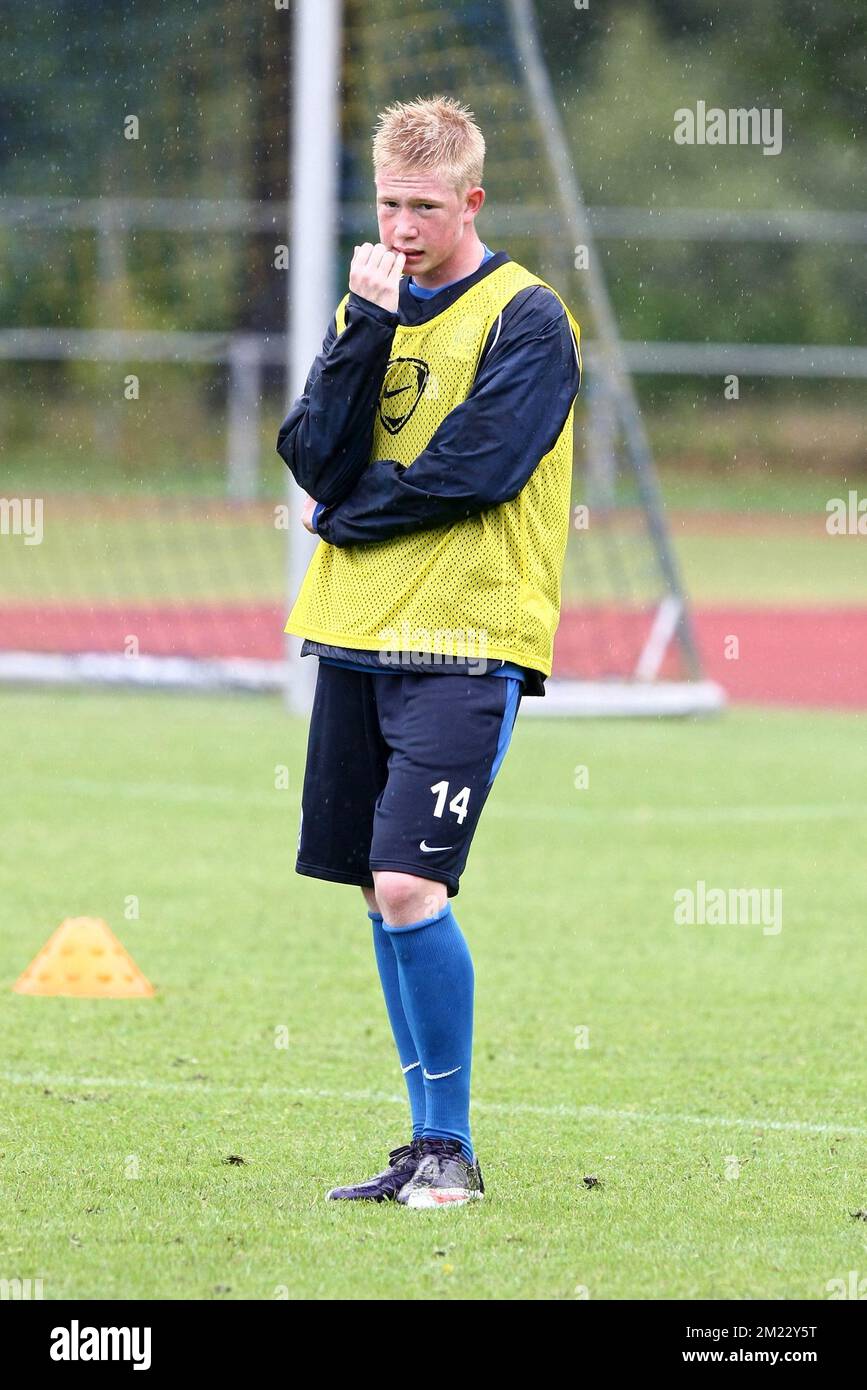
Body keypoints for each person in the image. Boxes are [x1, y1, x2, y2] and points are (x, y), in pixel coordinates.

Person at [277, 95, 580, 1208]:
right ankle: (422, 1145)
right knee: (374, 888)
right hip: (354, 637)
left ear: (472, 201)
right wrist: (364, 327)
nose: (403, 227)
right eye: (390, 204)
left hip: (465, 642)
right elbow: (314, 452)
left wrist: (348, 517)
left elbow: (477, 465)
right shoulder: (376, 303)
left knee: (411, 882)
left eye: (426, 207)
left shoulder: (529, 315)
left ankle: (452, 1148)